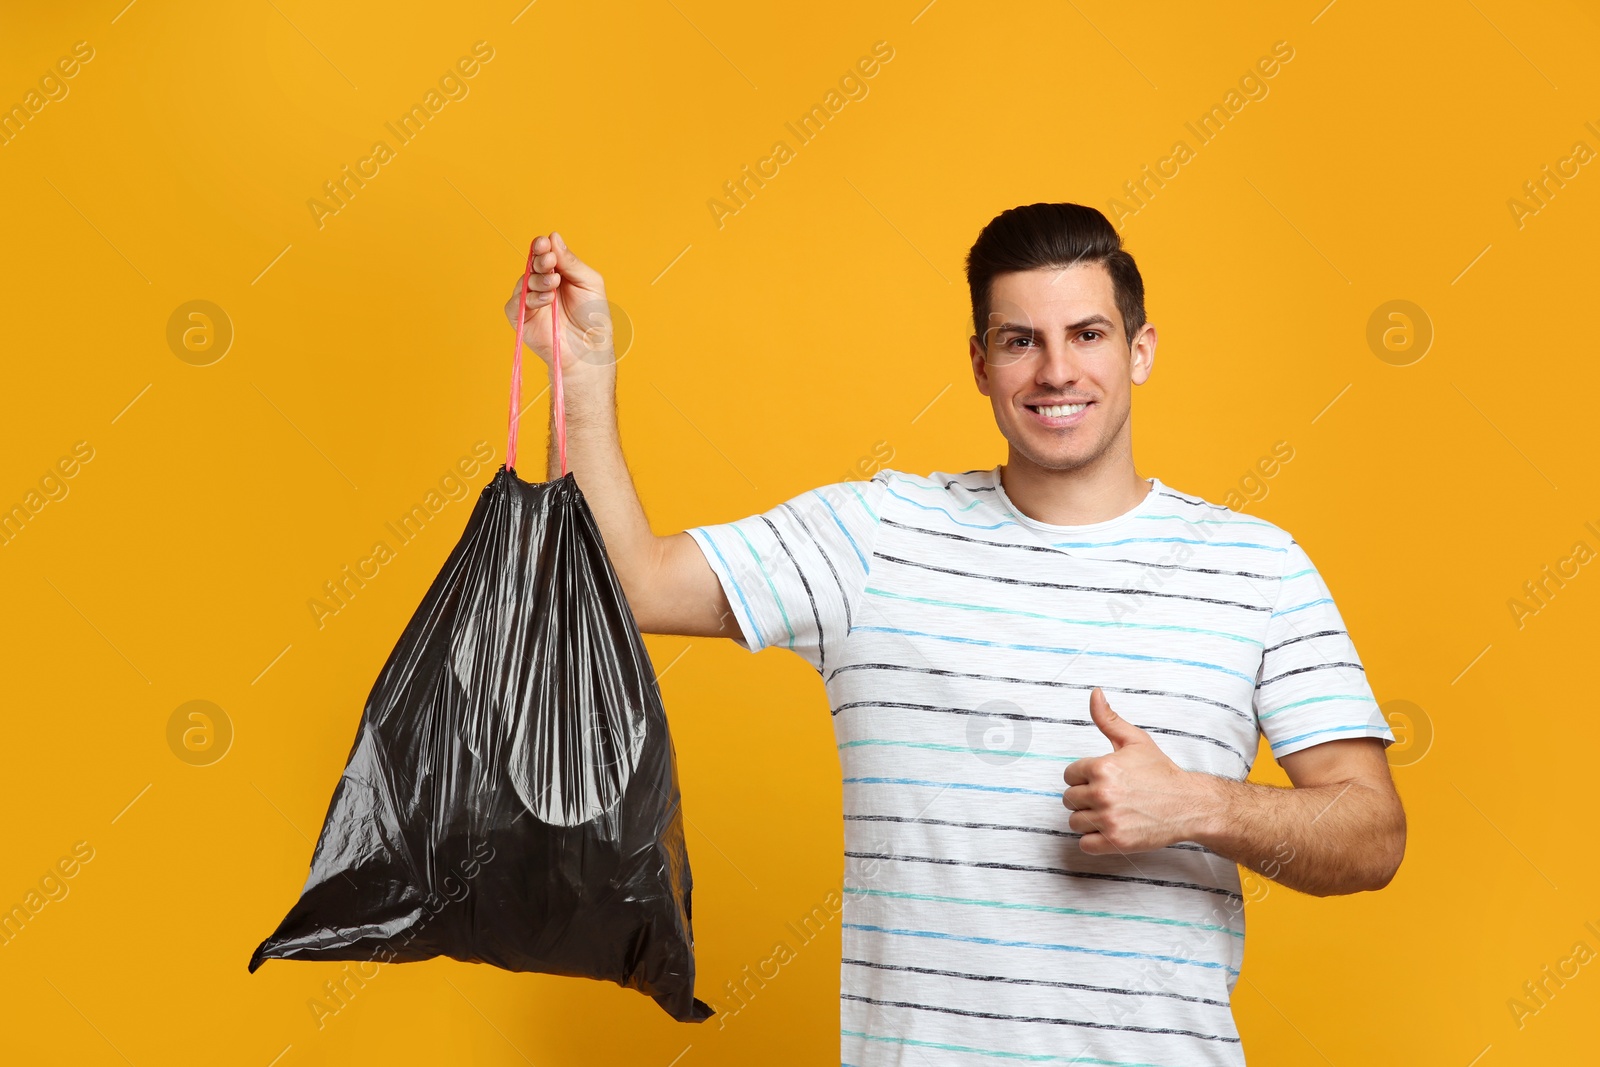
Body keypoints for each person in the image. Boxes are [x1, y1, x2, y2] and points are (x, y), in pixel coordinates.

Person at [502, 203, 1406, 1066]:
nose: (1056, 370)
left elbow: (1371, 834)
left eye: (1087, 334)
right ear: (981, 362)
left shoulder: (1256, 566)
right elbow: (626, 579)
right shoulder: (876, 534)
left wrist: (1198, 807)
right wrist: (579, 375)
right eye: (1022, 341)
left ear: (1140, 350)